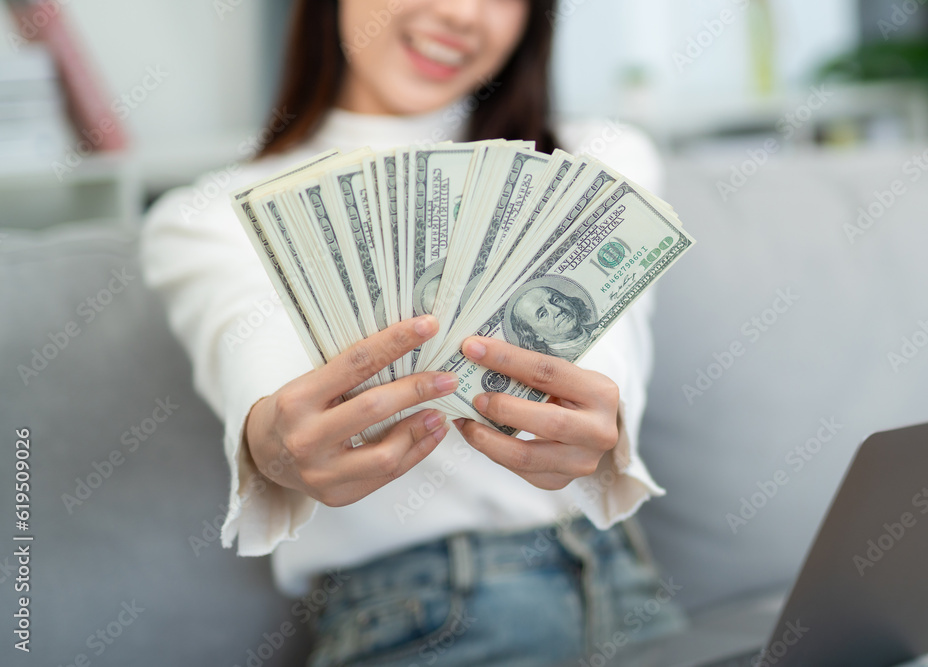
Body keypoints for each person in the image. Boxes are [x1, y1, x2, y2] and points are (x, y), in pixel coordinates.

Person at [141, 1, 684, 664]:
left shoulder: (598, 157)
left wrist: (605, 420)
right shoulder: (206, 219)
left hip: (631, 582)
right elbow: (255, 378)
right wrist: (277, 446)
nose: (461, 12)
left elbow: (613, 355)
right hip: (420, 611)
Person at [509, 285, 598, 361]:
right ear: (535, 335)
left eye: (555, 300)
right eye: (543, 314)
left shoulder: (603, 326)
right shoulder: (555, 366)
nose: (558, 310)